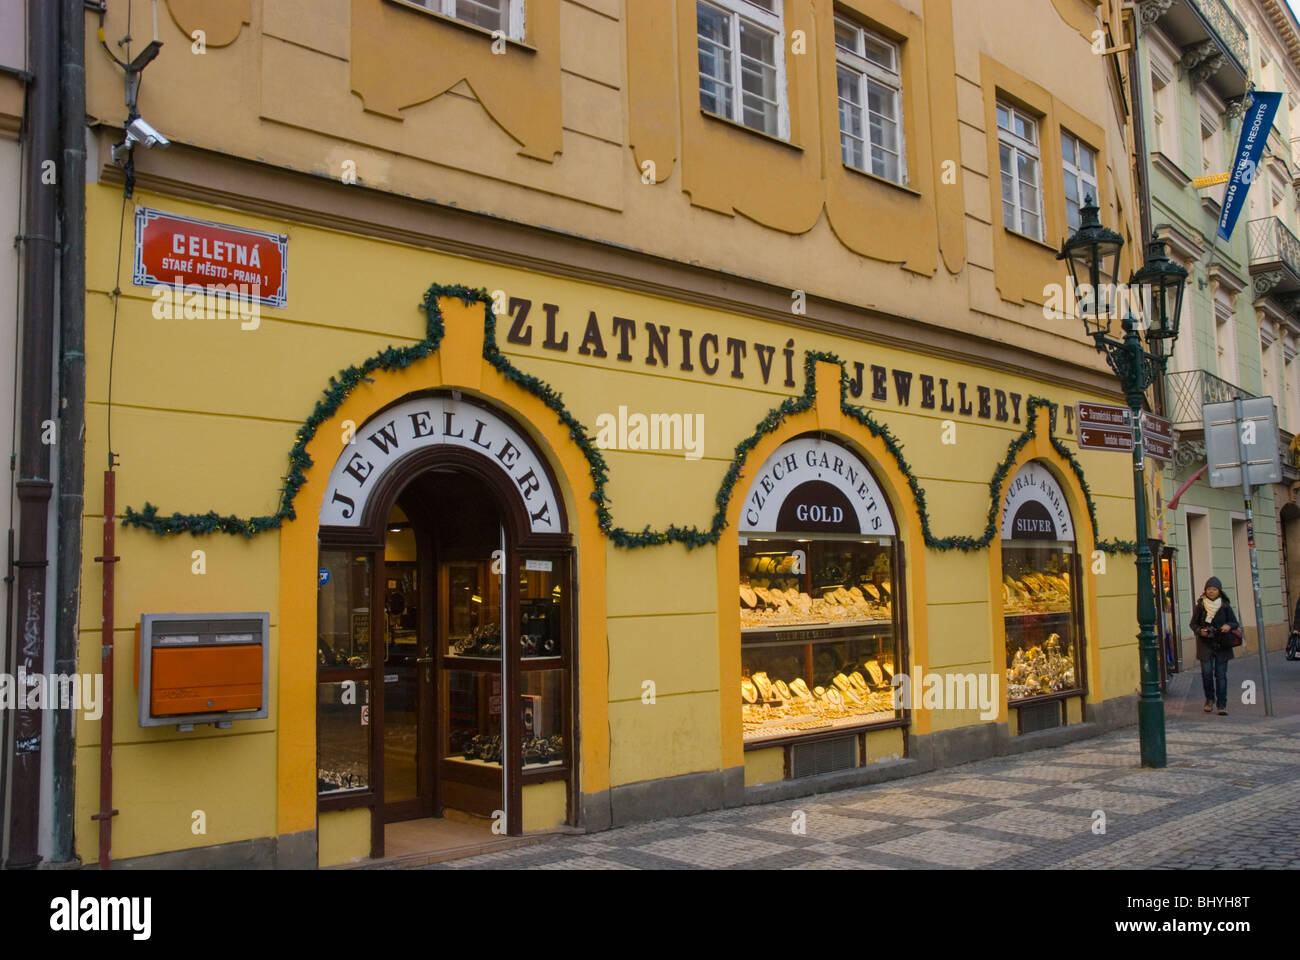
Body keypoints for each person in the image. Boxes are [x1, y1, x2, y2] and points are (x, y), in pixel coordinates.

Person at [1189, 577, 1238, 715]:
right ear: (1205, 590)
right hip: (1205, 644)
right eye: (1209, 589)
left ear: (1219, 591)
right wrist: (1200, 631)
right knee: (1207, 673)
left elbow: (1234, 622)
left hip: (1222, 644)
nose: (1211, 592)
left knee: (1221, 675)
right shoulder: (1200, 605)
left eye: (1214, 589)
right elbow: (1193, 624)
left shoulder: (1225, 605)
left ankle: (1222, 704)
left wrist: (1228, 626)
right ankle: (1209, 699)